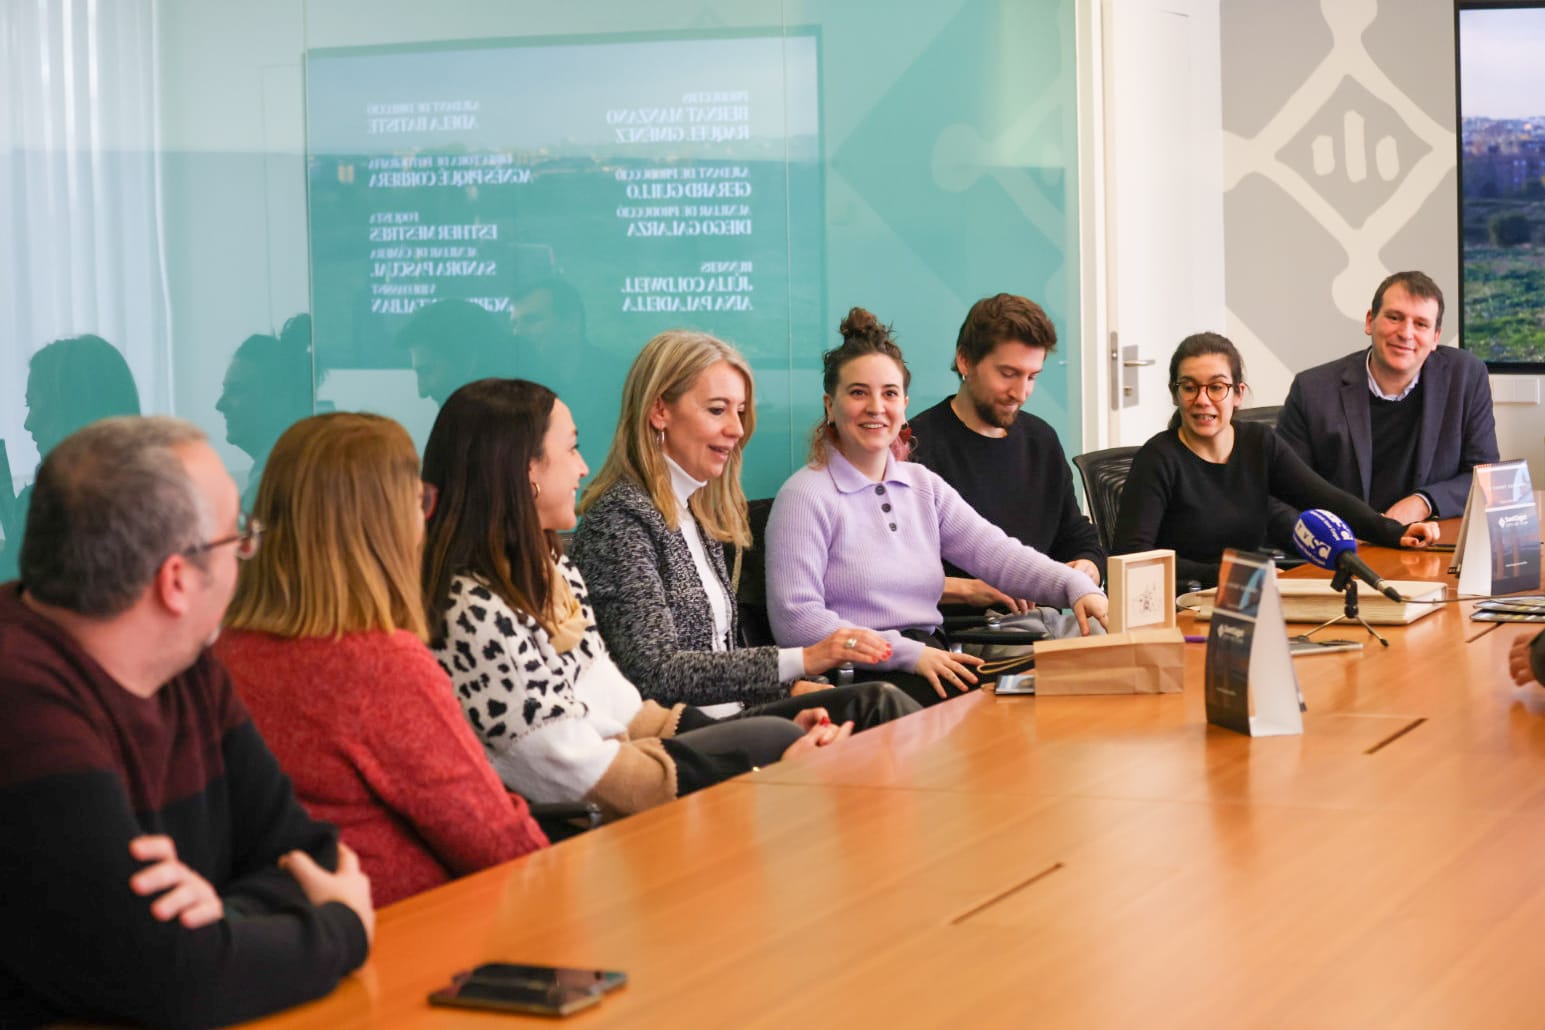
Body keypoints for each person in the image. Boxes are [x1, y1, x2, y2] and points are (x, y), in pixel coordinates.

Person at [0, 416, 371, 1027]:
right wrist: (342, 929)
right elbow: (168, 977)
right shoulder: (21, 704)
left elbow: (312, 857)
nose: (245, 556)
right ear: (176, 581)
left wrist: (222, 919)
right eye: (238, 539)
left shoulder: (186, 667)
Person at [422, 378, 856, 820]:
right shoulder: (470, 608)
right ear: (525, 470)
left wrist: (749, 739)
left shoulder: (550, 568)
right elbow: (571, 768)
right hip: (583, 824)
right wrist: (755, 768)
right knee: (804, 742)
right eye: (571, 449)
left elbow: (618, 704)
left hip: (633, 766)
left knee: (787, 734)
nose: (583, 467)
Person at [216, 412, 547, 906]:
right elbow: (503, 846)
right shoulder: (378, 665)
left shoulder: (224, 653)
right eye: (417, 501)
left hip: (297, 941)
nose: (423, 520)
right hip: (407, 945)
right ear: (383, 526)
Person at [568, 329, 920, 725]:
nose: (737, 429)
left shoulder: (697, 511)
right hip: (677, 737)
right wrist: (802, 659)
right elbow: (656, 674)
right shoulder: (620, 521)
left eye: (739, 411)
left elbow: (719, 655)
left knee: (869, 703)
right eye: (718, 410)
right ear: (659, 410)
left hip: (734, 718)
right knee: (877, 703)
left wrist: (787, 688)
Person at [765, 308, 1108, 708]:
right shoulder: (805, 496)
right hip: (861, 680)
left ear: (904, 404)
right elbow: (796, 623)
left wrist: (1078, 587)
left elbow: (1001, 555)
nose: (877, 407)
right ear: (830, 405)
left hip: (930, 657)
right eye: (859, 392)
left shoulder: (921, 485)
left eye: (889, 393)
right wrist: (906, 654)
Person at [1113, 332, 1439, 591]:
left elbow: (1326, 498)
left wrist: (1395, 532)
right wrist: (1223, 574)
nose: (1202, 400)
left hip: (1247, 596)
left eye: (1216, 387)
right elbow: (1131, 558)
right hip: (1184, 605)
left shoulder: (1258, 443)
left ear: (1238, 394)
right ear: (1175, 394)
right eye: (1189, 387)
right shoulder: (1158, 459)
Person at [908, 293, 1105, 629]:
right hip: (963, 634)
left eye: (1031, 376)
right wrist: (973, 590)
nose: (1021, 392)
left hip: (1041, 625)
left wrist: (1086, 568)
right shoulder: (916, 449)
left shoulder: (1040, 440)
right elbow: (891, 579)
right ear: (965, 361)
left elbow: (1075, 534)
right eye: (1008, 374)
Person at [1271, 271, 1499, 541]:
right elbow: (1282, 491)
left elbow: (1484, 476)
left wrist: (1422, 502)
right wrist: (1335, 536)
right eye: (1394, 317)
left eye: (1421, 324)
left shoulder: (1466, 376)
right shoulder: (1313, 390)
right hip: (1346, 549)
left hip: (1427, 544)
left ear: (1436, 338)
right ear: (1370, 322)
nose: (1406, 333)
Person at [1, 333, 142, 581]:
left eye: (36, 404)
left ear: (72, 407)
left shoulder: (45, 505)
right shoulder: (161, 498)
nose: (28, 422)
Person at [215, 319, 314, 512]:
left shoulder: (276, 480)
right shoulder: (288, 466)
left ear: (280, 398)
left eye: (237, 390)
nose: (220, 405)